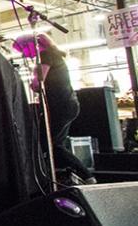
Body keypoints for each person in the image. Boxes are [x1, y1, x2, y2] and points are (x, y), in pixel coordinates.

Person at [13, 32, 94, 184]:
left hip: (59, 105)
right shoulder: (54, 55)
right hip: (67, 104)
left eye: (24, 50)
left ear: (32, 46)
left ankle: (85, 175)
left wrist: (33, 78)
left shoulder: (46, 55)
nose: (25, 55)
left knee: (50, 144)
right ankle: (73, 176)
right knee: (55, 144)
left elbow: (38, 84)